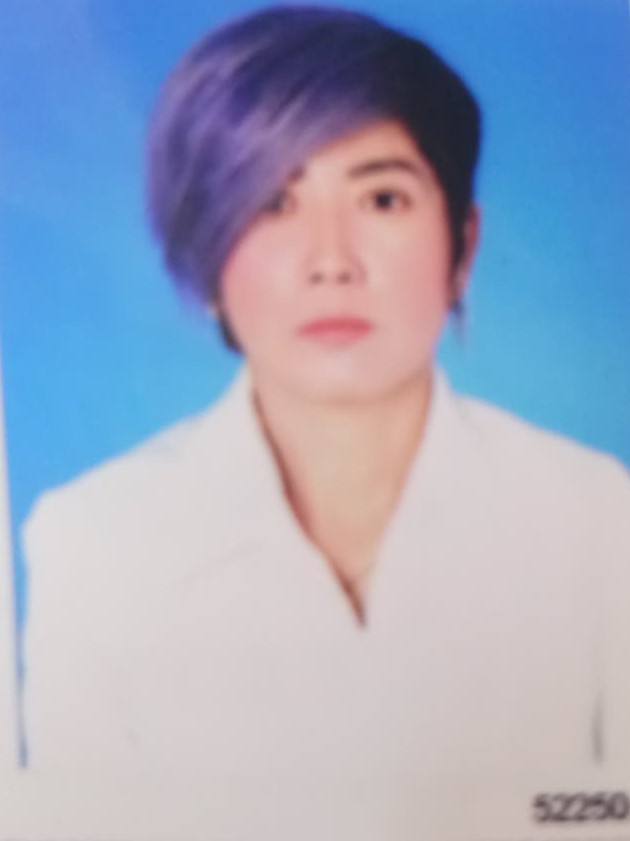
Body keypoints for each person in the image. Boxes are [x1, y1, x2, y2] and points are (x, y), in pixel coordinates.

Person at [22, 2, 630, 831]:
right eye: (273, 202)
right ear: (204, 252)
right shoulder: (96, 542)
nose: (332, 261)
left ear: (463, 245)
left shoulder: (595, 519)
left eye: (382, 198)